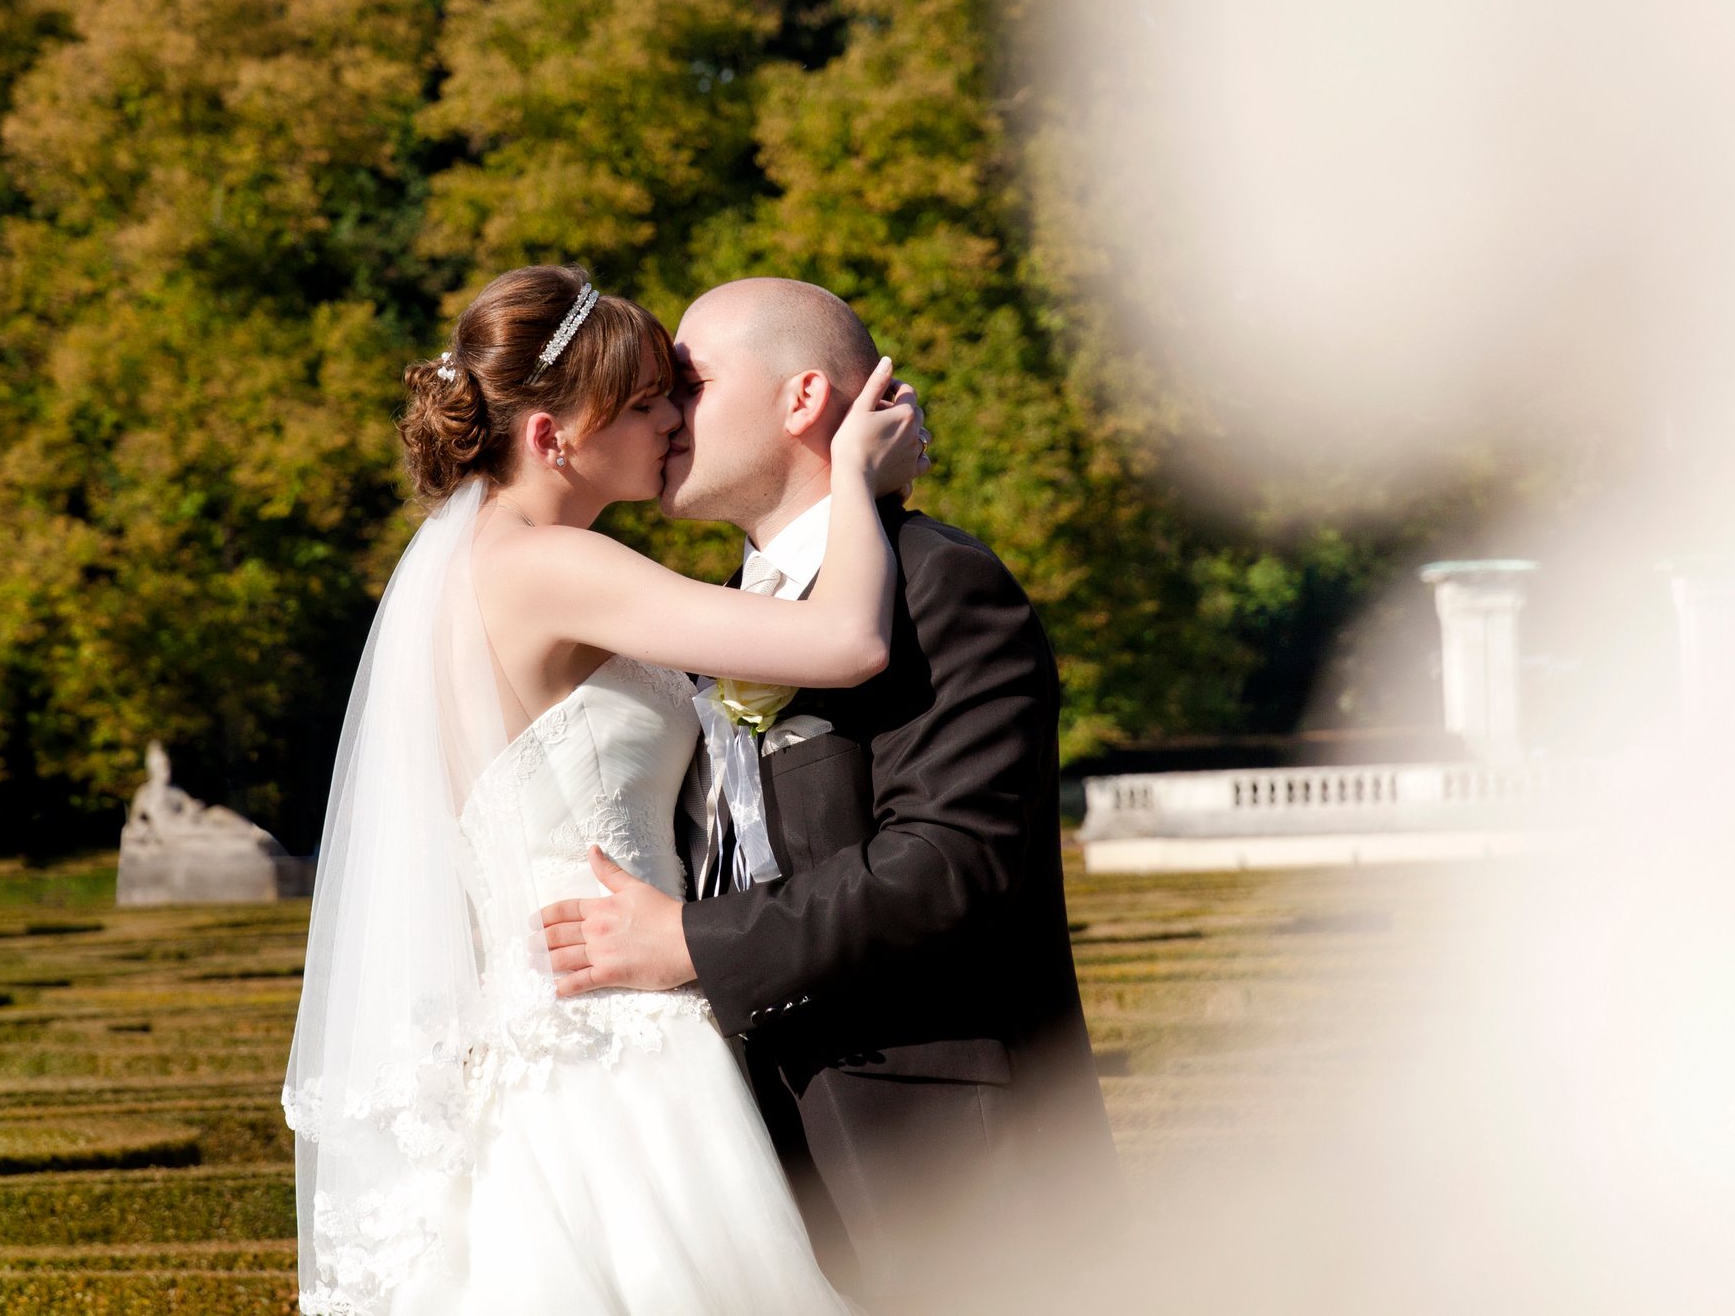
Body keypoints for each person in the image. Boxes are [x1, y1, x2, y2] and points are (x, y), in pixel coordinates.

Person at [284, 264, 926, 1316]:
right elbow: (846, 641)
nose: (674, 417)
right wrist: (853, 476)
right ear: (553, 437)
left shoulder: (477, 567)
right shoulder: (550, 565)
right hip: (619, 1043)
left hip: (558, 1028)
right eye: (642, 404)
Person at [539, 277, 1117, 1314]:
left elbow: (949, 865)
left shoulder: (942, 584)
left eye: (688, 382)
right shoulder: (721, 619)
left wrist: (690, 943)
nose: (662, 412)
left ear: (803, 400)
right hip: (739, 1154)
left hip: (930, 1156)